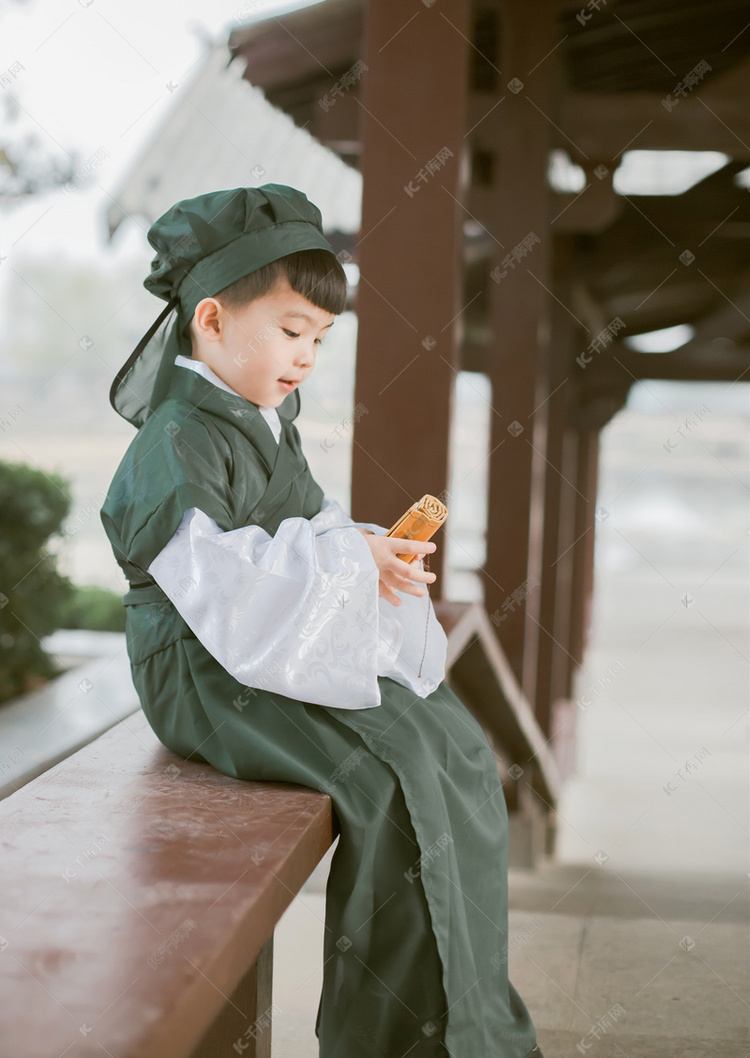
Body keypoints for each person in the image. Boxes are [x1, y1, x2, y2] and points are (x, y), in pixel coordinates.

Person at [100, 183, 543, 1058]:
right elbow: (218, 580)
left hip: (260, 648)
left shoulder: (267, 420)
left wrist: (370, 554)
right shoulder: (176, 437)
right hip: (203, 668)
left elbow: (311, 531)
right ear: (213, 321)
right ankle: (403, 1042)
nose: (306, 357)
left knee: (452, 747)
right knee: (394, 779)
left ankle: (475, 1026)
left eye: (320, 340)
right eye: (291, 331)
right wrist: (345, 565)